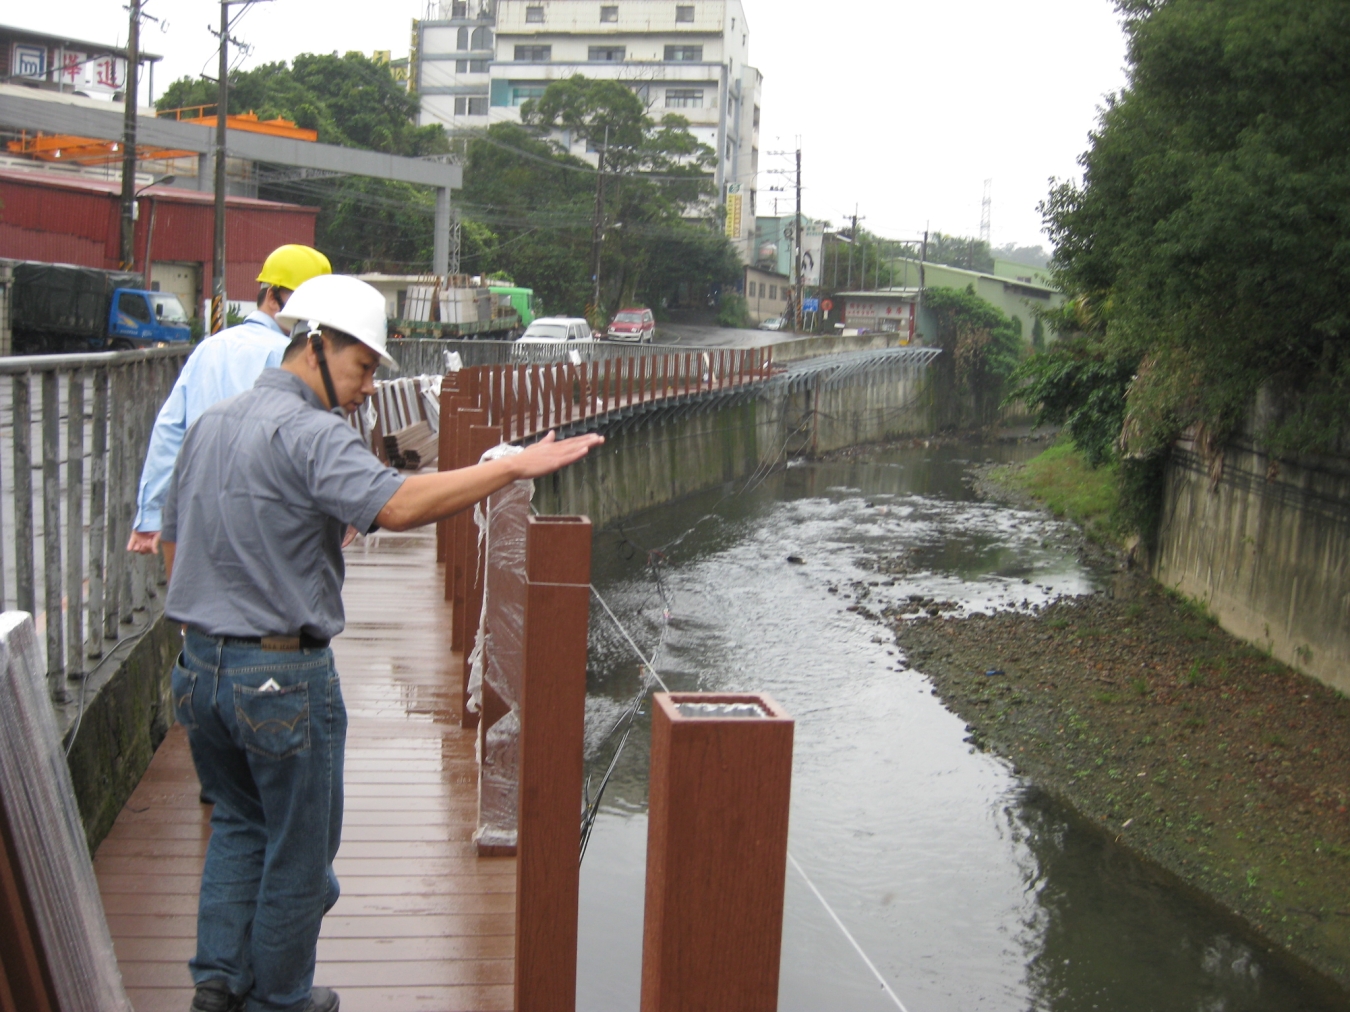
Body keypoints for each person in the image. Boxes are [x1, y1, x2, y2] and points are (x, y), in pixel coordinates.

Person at [161, 274, 602, 1012]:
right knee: (300, 854)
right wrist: (509, 466)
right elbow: (395, 505)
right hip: (280, 674)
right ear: (313, 346)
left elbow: (173, 547)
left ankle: (218, 983)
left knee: (239, 825)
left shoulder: (213, 423)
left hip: (198, 667)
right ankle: (281, 998)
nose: (368, 386)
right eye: (363, 366)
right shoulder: (310, 432)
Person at [128, 244, 333, 554]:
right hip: (267, 519)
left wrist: (151, 516)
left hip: (199, 510)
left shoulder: (208, 349)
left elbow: (170, 431)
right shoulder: (296, 359)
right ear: (272, 295)